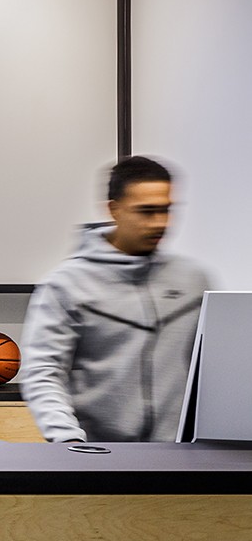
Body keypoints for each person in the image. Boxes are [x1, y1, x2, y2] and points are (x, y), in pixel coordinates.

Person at [20, 156, 211, 443]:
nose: (160, 223)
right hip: (102, 459)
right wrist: (69, 442)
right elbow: (43, 373)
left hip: (182, 459)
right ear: (114, 210)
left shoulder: (193, 281)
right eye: (146, 211)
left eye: (166, 210)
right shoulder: (66, 285)